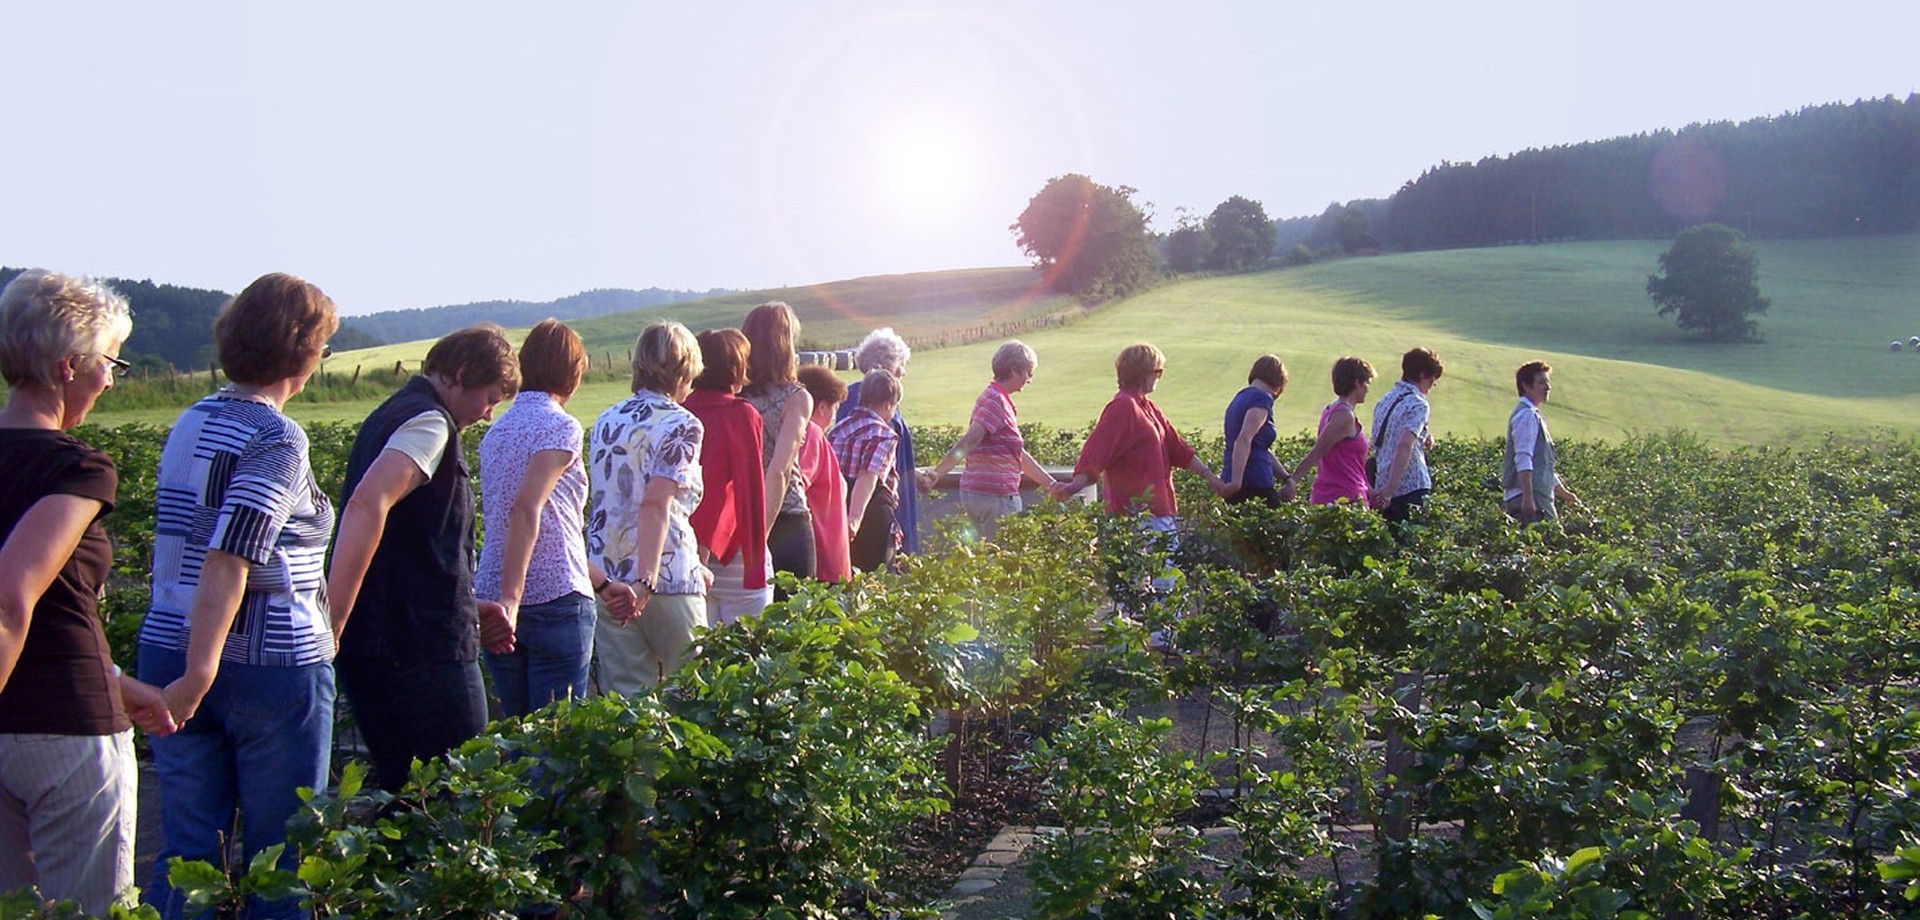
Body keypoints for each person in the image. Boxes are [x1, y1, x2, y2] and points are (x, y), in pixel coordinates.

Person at [136, 274, 339, 918]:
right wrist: (203, 670)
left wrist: (190, 670)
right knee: (283, 860)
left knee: (189, 857)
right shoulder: (278, 437)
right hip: (266, 663)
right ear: (304, 353)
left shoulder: (191, 419)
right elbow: (232, 553)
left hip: (165, 646)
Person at [0, 270, 172, 915]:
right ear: (71, 366)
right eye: (109, 362)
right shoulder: (75, 466)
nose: (110, 378)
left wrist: (120, 685)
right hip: (64, 730)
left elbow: (53, 605)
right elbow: (12, 597)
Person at [328, 324, 519, 793]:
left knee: (406, 789)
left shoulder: (389, 413)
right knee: (457, 789)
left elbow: (403, 547)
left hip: (382, 641)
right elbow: (367, 503)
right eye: (489, 398)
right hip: (419, 651)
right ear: (459, 374)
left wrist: (467, 606)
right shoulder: (430, 424)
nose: (488, 414)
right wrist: (330, 623)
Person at [476, 320, 631, 718]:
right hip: (555, 599)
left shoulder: (496, 432)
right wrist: (515, 597)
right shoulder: (561, 426)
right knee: (553, 742)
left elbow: (553, 524)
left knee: (515, 734)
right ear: (574, 374)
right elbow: (527, 509)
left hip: (492, 594)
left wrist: (604, 583)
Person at [587, 321, 708, 694]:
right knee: (691, 693)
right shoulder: (682, 424)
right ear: (683, 369)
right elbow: (656, 503)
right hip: (665, 575)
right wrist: (646, 579)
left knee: (628, 701)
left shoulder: (605, 420)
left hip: (605, 574)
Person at [1049, 343, 1231, 518]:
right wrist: (1073, 487)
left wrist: (1212, 480)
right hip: (1135, 514)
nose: (1159, 377)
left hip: (1160, 510)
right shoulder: (1123, 406)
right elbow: (1096, 453)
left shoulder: (1148, 408)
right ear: (1141, 374)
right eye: (1157, 372)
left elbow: (1179, 450)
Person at [917, 340, 1055, 541]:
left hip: (984, 494)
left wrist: (1051, 484)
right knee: (1001, 560)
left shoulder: (996, 400)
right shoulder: (995, 401)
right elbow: (969, 441)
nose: (1029, 380)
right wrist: (938, 473)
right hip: (995, 496)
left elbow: (1017, 455)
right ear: (1015, 371)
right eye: (1029, 373)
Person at [685, 328, 769, 623]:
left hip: (684, 548)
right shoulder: (741, 413)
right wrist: (756, 565)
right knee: (745, 655)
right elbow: (750, 488)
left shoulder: (680, 410)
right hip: (735, 553)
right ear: (737, 368)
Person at [741, 303, 816, 589]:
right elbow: (780, 471)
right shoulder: (795, 397)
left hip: (740, 518)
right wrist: (759, 540)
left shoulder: (737, 396)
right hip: (785, 517)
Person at [837, 327, 920, 554]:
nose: (902, 371)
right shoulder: (880, 407)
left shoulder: (848, 397)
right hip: (875, 503)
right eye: (898, 364)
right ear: (881, 368)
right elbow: (870, 470)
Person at [830, 370, 903, 573]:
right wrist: (854, 521)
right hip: (870, 512)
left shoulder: (838, 430)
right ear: (889, 404)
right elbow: (868, 477)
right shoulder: (884, 435)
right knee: (874, 579)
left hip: (836, 509)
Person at [1369, 348, 1443, 524]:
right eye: (1432, 379)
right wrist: (1390, 490)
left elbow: (1386, 437)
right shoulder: (1418, 405)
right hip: (1410, 486)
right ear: (1423, 374)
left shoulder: (1385, 399)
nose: (1433, 385)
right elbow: (1404, 445)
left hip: (1381, 481)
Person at [1502, 360, 1581, 523]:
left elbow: (1541, 463)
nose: (1547, 387)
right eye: (1541, 382)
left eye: (1547, 382)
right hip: (1529, 496)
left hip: (1535, 495)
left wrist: (1564, 493)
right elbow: (1523, 458)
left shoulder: (1532, 414)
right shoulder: (1526, 415)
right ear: (1526, 386)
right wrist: (1528, 499)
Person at [1289, 357, 1373, 506]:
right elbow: (1317, 452)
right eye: (1366, 382)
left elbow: (1351, 465)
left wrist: (1371, 491)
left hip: (1344, 494)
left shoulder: (1331, 410)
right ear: (1356, 383)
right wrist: (1292, 481)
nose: (1368, 388)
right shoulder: (1344, 416)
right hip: (1343, 499)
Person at [796, 364, 850, 583]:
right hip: (823, 557)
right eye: (835, 407)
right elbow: (798, 484)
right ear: (822, 407)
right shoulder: (811, 434)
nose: (834, 416)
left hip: (825, 558)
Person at [1220, 354, 1292, 506]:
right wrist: (1236, 482)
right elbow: (1244, 439)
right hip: (1254, 483)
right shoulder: (1262, 399)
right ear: (1278, 384)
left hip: (1234, 477)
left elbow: (1260, 447)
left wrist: (1286, 478)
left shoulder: (1240, 397)